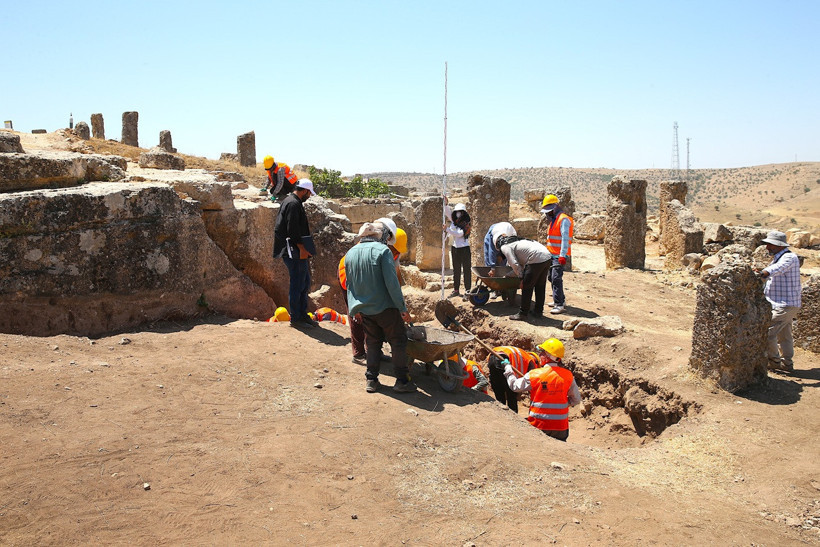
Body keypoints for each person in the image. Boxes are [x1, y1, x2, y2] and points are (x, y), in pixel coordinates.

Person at [344, 221, 414, 394]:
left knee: (372, 342)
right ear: (379, 236)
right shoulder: (383, 251)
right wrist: (402, 308)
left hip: (364, 308)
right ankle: (402, 381)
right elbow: (392, 284)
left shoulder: (350, 253)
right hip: (386, 308)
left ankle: (372, 380)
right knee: (398, 341)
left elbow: (350, 284)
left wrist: (355, 309)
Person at [492, 338, 581, 441]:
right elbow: (576, 400)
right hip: (561, 428)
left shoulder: (535, 374)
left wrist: (508, 368)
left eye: (542, 352)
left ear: (547, 357)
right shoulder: (568, 375)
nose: (540, 355)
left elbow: (515, 386)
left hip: (539, 425)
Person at [273, 179, 318, 328]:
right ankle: (297, 318)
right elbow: (292, 230)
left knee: (304, 282)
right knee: (298, 283)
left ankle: (302, 314)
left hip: (295, 249)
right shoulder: (293, 204)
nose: (309, 196)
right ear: (304, 191)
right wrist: (302, 249)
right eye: (309, 193)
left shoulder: (291, 201)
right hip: (293, 250)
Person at [757, 230, 802, 372]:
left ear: (779, 245)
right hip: (784, 304)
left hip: (784, 305)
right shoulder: (779, 257)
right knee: (785, 335)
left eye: (770, 244)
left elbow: (776, 269)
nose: (767, 247)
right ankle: (787, 364)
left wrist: (763, 273)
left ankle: (774, 362)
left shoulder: (789, 258)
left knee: (767, 331)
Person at [493, 235, 551, 321]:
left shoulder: (505, 247)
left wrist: (521, 279)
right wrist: (508, 275)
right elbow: (520, 267)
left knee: (526, 286)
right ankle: (538, 311)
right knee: (540, 286)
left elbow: (514, 264)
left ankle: (523, 314)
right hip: (547, 257)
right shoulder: (518, 243)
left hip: (535, 258)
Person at [541, 195, 574, 314]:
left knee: (556, 278)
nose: (547, 214)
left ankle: (559, 304)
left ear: (555, 207)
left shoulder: (563, 220)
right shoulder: (554, 219)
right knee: (552, 277)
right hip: (551, 254)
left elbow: (565, 239)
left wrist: (562, 255)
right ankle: (561, 299)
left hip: (559, 255)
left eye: (549, 211)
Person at [486, 346, 541, 412]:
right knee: (511, 391)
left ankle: (501, 413)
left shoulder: (522, 356)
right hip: (503, 359)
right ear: (536, 361)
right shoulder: (531, 361)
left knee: (498, 388)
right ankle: (513, 413)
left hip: (492, 357)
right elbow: (532, 381)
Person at [444, 197, 472, 298]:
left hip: (464, 249)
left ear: (463, 213)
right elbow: (448, 212)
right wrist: (446, 204)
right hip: (455, 248)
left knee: (466, 270)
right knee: (456, 270)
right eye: (456, 212)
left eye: (460, 212)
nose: (457, 214)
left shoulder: (466, 224)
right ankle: (456, 290)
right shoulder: (455, 221)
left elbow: (460, 234)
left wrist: (447, 229)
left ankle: (468, 290)